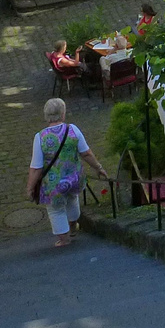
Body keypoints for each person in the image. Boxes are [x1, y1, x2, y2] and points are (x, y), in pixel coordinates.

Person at [26, 98, 104, 247]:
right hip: (74, 178)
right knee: (73, 200)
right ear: (62, 114)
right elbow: (86, 153)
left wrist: (30, 188)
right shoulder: (73, 130)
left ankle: (64, 240)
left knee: (56, 211)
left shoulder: (40, 137)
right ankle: (73, 227)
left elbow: (36, 168)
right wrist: (99, 168)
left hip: (53, 184)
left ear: (46, 116)